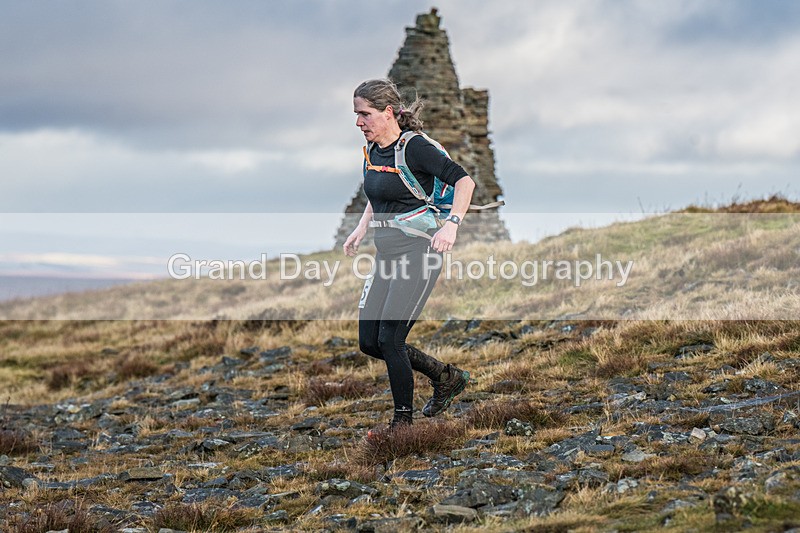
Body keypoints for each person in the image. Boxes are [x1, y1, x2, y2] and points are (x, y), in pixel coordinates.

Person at [343, 79, 475, 433]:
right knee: (370, 342)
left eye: (364, 114)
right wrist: (360, 227)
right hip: (386, 255)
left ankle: (403, 425)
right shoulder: (372, 150)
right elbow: (378, 192)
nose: (359, 122)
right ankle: (445, 377)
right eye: (356, 115)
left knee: (391, 339)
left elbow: (465, 182)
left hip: (420, 253)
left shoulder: (415, 148)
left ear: (388, 113)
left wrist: (452, 225)